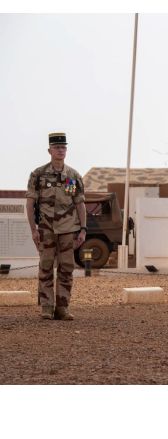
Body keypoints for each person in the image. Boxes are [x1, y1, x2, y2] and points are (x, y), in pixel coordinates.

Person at [25, 132, 87, 320]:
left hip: (68, 229)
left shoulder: (72, 176)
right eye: (57, 147)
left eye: (63, 147)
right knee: (45, 267)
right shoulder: (38, 174)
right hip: (46, 229)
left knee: (66, 267)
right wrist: (34, 230)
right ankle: (46, 307)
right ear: (49, 150)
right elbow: (30, 204)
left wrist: (83, 229)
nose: (61, 150)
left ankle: (62, 307)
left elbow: (79, 203)